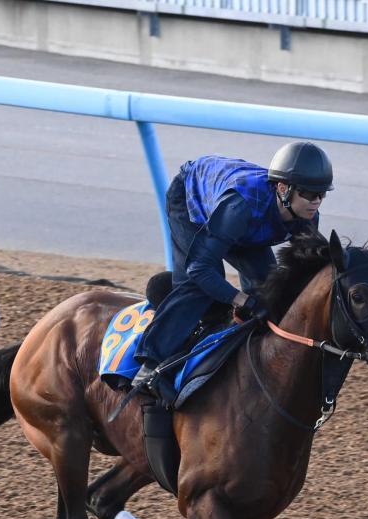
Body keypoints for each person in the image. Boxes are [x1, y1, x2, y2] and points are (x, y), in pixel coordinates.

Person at [131, 141, 333, 401]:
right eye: (309, 193)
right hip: (192, 203)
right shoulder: (240, 207)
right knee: (199, 286)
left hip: (245, 224)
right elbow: (199, 268)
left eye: (322, 194)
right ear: (283, 188)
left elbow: (305, 272)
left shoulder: (306, 214)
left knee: (269, 287)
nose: (316, 201)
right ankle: (149, 365)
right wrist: (241, 300)